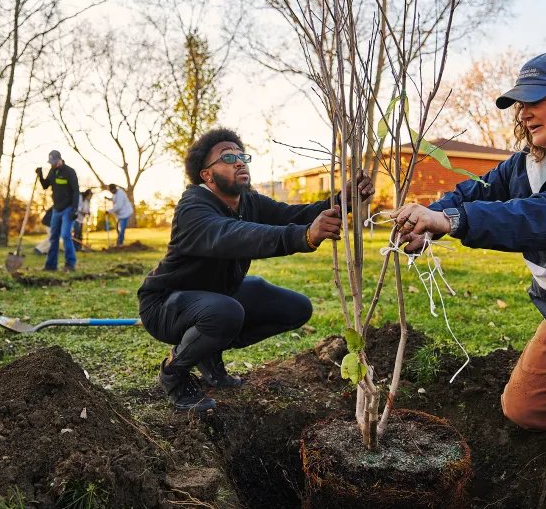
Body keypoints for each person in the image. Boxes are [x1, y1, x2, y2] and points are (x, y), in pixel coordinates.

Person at [390, 51, 546, 463]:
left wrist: (452, 221)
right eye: (519, 104)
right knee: (524, 411)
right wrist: (428, 220)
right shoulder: (531, 162)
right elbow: (476, 192)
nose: (523, 114)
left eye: (535, 101)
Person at [138, 127, 374, 412]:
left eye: (241, 155)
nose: (239, 161)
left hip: (216, 297)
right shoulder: (193, 207)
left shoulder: (248, 201)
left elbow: (293, 214)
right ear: (206, 174)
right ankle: (174, 372)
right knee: (225, 312)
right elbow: (234, 235)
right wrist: (304, 236)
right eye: (227, 157)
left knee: (295, 307)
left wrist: (342, 200)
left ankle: (208, 351)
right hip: (165, 305)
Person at [36, 150, 80, 271]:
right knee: (53, 237)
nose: (53, 164)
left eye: (55, 162)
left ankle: (70, 264)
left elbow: (76, 191)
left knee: (66, 235)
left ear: (60, 160)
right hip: (57, 208)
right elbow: (45, 186)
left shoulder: (69, 172)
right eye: (51, 162)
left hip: (68, 208)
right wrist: (40, 175)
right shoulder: (52, 172)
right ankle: (51, 265)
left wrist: (75, 209)